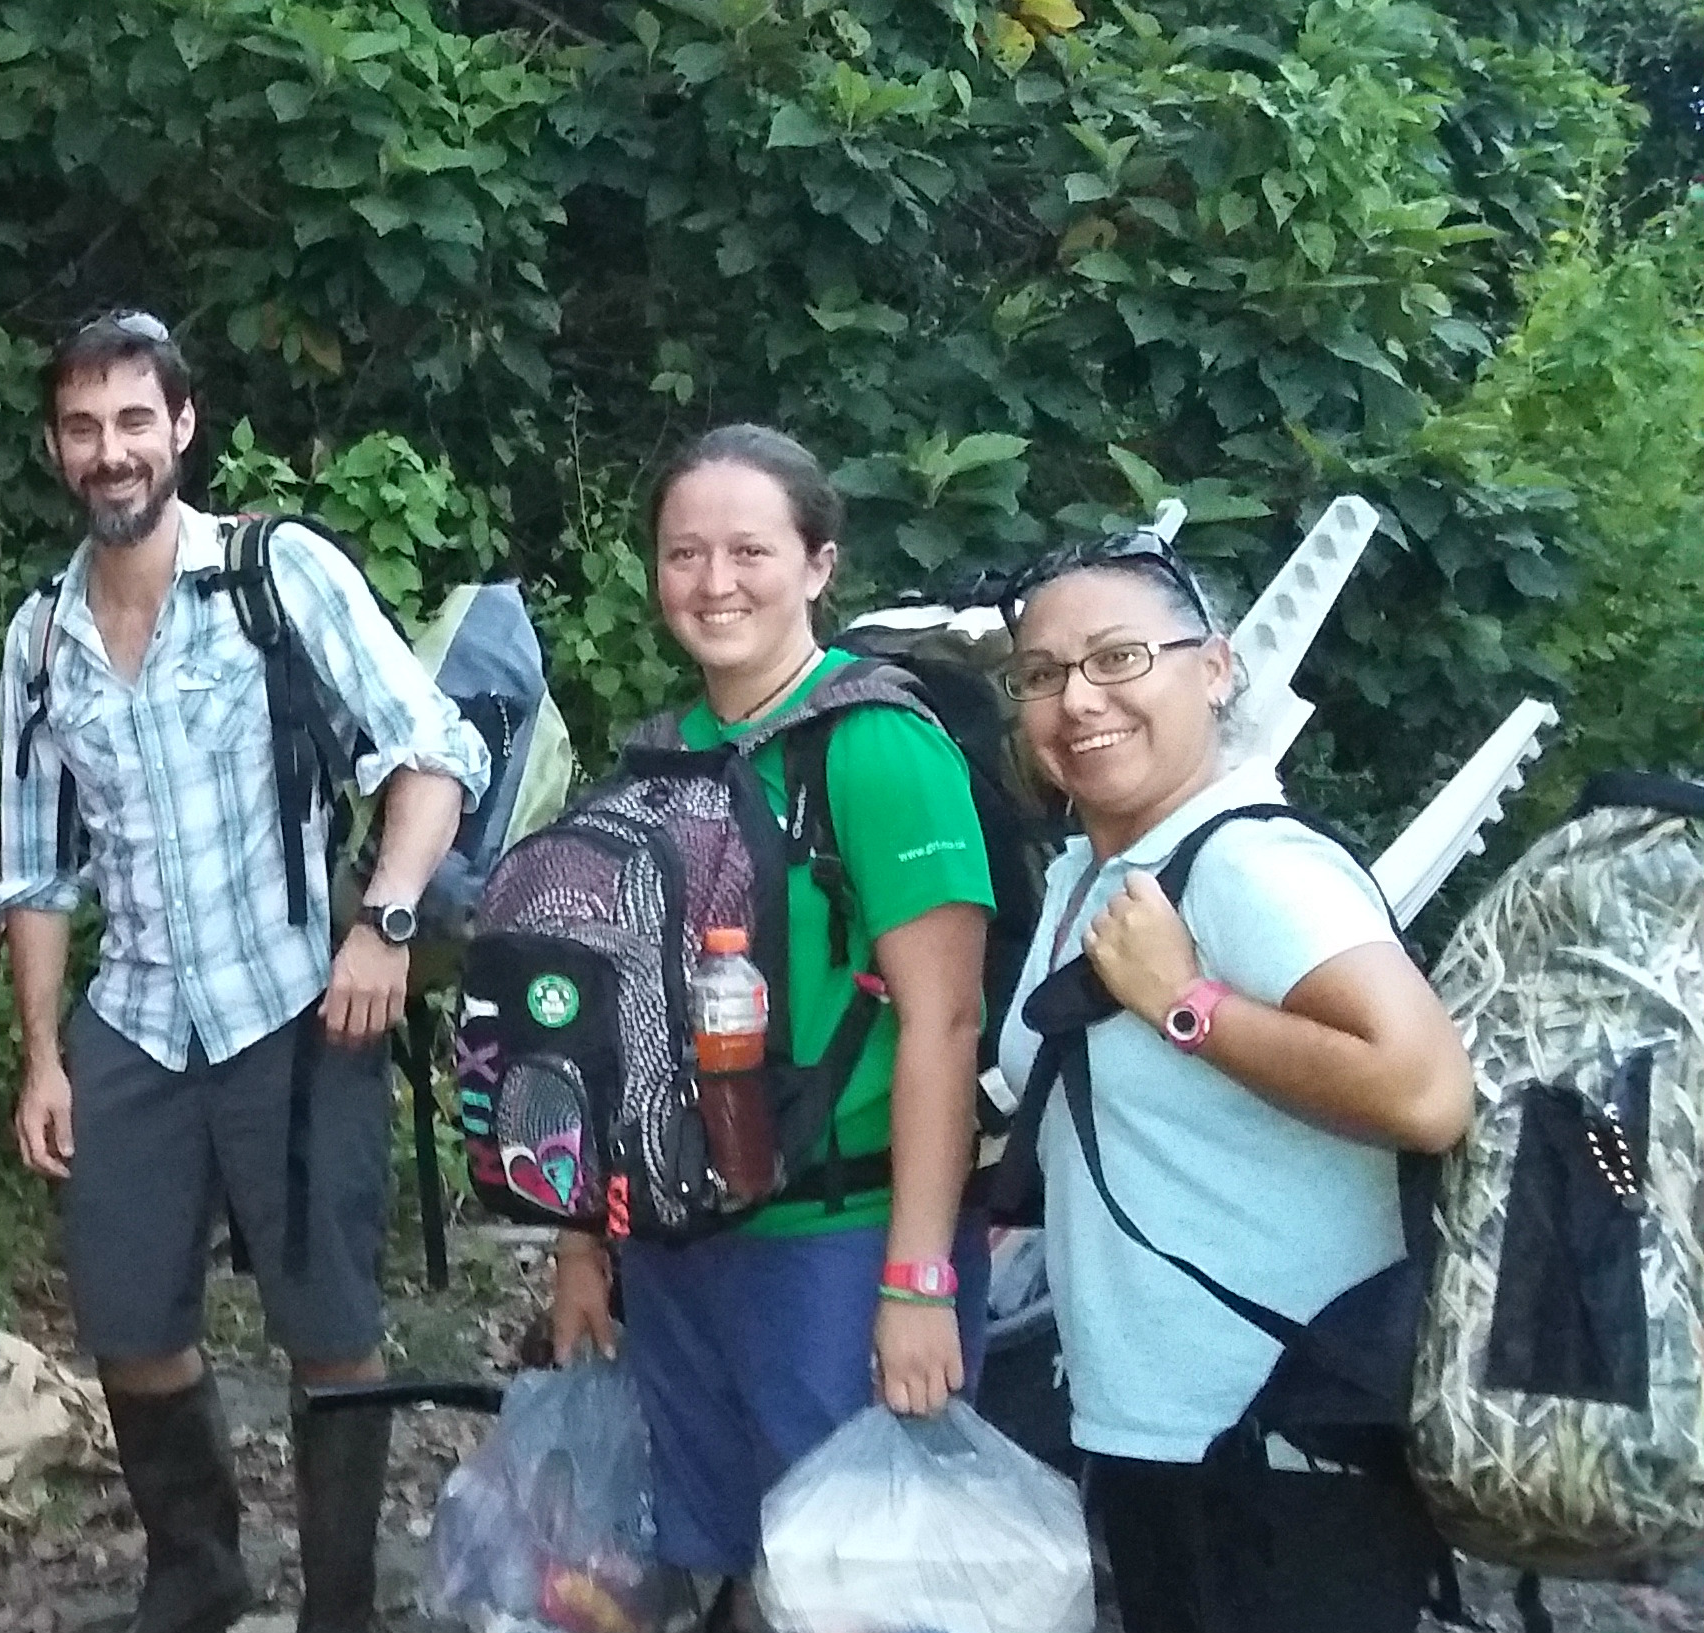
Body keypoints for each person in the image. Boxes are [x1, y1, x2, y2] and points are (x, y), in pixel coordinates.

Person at [0, 311, 489, 1633]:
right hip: (134, 1025)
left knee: (325, 1325)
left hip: (293, 1008)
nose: (110, 451)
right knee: (129, 1324)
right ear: (54, 446)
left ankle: (334, 1605)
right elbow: (35, 868)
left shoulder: (276, 575)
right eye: (83, 428)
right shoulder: (40, 635)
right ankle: (195, 1571)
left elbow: (428, 750)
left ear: (181, 427)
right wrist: (40, 1053)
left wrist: (380, 920)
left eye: (133, 420)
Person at [547, 424, 995, 1630]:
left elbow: (944, 1022)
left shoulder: (876, 746)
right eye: (682, 552)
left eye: (749, 548)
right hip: (680, 1242)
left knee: (853, 1580)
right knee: (726, 1553)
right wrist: (584, 1242)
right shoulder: (656, 758)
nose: (713, 581)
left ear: (817, 563)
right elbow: (614, 1026)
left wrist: (917, 1278)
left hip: (837, 1243)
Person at [998, 534, 1472, 1632]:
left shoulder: (1253, 865)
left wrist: (1187, 1003)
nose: (1078, 700)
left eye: (1118, 659)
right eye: (1042, 674)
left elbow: (1421, 1090)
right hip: (1155, 1427)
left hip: (1283, 1430)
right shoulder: (1091, 871)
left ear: (1212, 669)